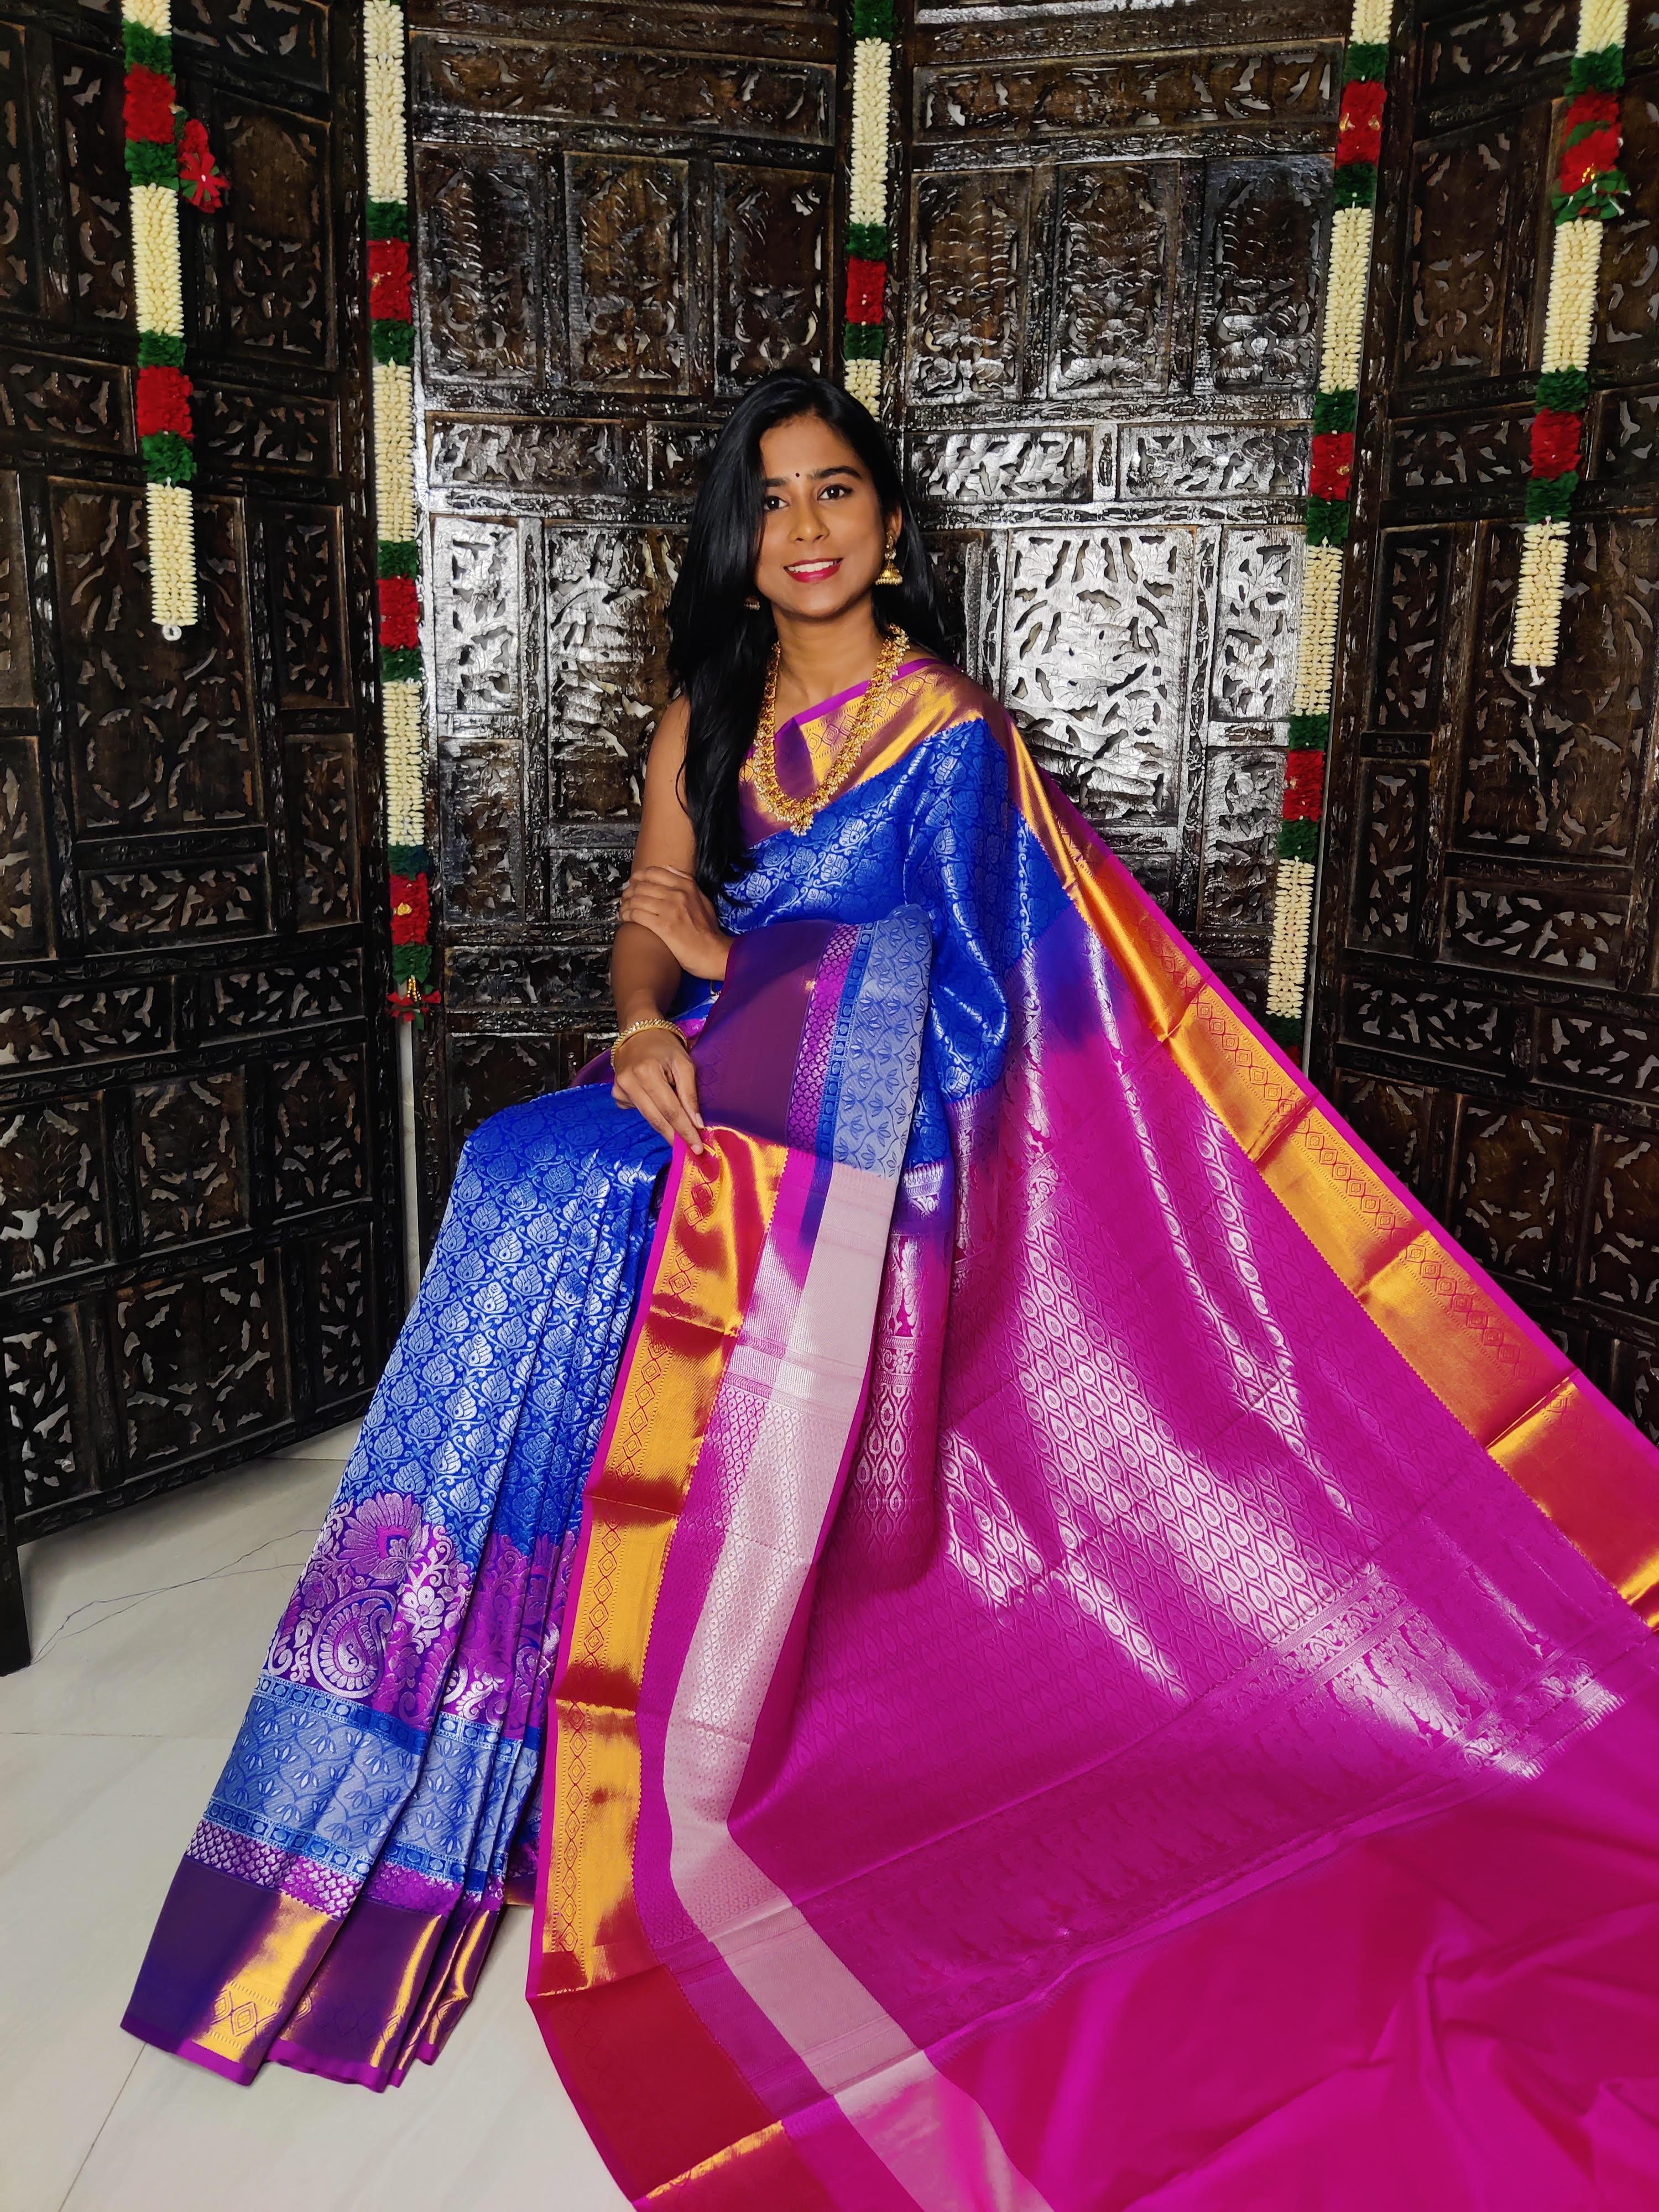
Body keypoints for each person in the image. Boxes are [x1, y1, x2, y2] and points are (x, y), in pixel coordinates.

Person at [126, 371, 1659, 2207]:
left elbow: (1008, 995)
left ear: (893, 527)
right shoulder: (705, 708)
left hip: (882, 1129)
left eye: (836, 491)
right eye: (768, 502)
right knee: (531, 1171)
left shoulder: (948, 731)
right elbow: (655, 909)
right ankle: (458, 1722)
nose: (805, 529)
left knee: (563, 1197)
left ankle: (560, 1711)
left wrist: (786, 992)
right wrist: (639, 1017)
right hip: (714, 1075)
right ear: (739, 544)